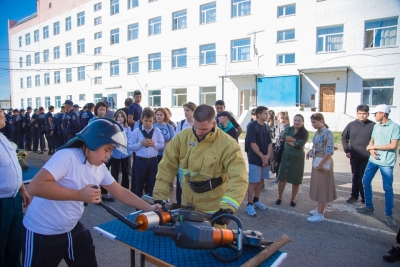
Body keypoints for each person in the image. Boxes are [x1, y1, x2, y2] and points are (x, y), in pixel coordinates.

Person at [22, 118, 162, 267]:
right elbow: (35, 187)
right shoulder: (67, 157)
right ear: (92, 142)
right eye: (106, 150)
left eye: (111, 151)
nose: (108, 156)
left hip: (71, 228)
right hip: (42, 232)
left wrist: (150, 208)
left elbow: (119, 191)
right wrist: (79, 195)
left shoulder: (99, 167)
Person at [153, 104, 248, 225]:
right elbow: (166, 167)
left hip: (213, 210)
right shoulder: (182, 138)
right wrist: (160, 196)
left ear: (214, 124)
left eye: (203, 129)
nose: (198, 133)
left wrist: (227, 209)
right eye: (195, 128)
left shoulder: (228, 144)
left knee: (213, 241)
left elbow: (239, 177)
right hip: (187, 203)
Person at [356, 104, 400, 227]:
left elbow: (393, 145)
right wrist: (371, 149)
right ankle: (369, 206)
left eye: (376, 113)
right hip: (373, 160)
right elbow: (372, 141)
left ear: (383, 114)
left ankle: (389, 214)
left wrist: (373, 147)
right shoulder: (376, 126)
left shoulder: (395, 127)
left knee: (387, 189)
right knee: (365, 181)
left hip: (386, 162)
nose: (374, 115)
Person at [0, 108, 31, 267]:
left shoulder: (3, 139)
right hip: (1, 203)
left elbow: (14, 168)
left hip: (14, 199)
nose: (3, 114)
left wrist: (23, 190)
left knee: (14, 245)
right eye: (0, 111)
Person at [341, 104, 375, 204]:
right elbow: (344, 138)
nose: (362, 116)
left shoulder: (373, 126)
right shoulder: (351, 125)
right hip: (354, 156)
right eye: (360, 113)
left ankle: (365, 198)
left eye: (364, 114)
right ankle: (354, 195)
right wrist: (347, 150)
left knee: (363, 178)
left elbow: (376, 140)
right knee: (355, 176)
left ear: (368, 114)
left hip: (367, 157)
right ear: (357, 113)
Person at [306, 113, 336, 222]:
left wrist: (322, 163)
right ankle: (320, 209)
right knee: (318, 185)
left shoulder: (327, 133)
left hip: (323, 161)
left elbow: (329, 151)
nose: (312, 124)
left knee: (322, 186)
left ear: (321, 121)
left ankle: (320, 214)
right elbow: (316, 147)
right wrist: (310, 152)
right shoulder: (318, 132)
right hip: (318, 160)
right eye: (312, 122)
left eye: (314, 122)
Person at [129, 109, 164, 197]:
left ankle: (150, 206)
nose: (148, 123)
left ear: (153, 120)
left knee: (152, 184)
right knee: (139, 185)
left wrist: (154, 144)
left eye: (150, 121)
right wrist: (140, 144)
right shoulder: (136, 132)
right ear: (141, 120)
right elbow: (129, 146)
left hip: (153, 161)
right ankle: (139, 207)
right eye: (146, 121)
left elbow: (162, 144)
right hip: (140, 161)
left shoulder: (157, 131)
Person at [276, 114, 309, 207]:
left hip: (298, 159)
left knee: (296, 179)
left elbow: (299, 144)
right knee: (282, 178)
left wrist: (290, 141)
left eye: (299, 120)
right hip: (285, 157)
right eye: (295, 120)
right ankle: (279, 197)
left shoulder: (305, 132)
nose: (297, 122)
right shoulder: (288, 129)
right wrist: (295, 141)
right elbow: (283, 136)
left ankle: (293, 198)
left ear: (302, 122)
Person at [245, 106, 272, 217]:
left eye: (267, 113)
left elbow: (270, 143)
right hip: (255, 158)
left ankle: (256, 200)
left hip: (265, 158)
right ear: (259, 115)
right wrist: (262, 156)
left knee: (260, 180)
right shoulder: (252, 126)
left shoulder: (266, 127)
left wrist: (268, 156)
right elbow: (253, 144)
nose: (267, 115)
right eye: (265, 113)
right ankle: (249, 204)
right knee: (253, 181)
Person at [175, 102, 197, 205]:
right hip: (183, 158)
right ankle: (180, 205)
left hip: (195, 158)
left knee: (193, 183)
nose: (185, 112)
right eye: (184, 110)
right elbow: (176, 140)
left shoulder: (198, 124)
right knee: (181, 182)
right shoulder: (181, 123)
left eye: (188, 110)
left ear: (193, 111)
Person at [110, 111, 132, 190]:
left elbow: (129, 139)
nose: (120, 118)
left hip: (125, 152)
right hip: (115, 152)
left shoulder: (127, 128)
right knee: (114, 171)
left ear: (124, 118)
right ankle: (114, 188)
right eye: (118, 116)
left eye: (121, 116)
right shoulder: (113, 127)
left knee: (125, 171)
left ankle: (125, 188)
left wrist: (124, 143)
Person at [273, 111, 290, 183]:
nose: (277, 116)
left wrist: (275, 139)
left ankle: (279, 177)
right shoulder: (280, 124)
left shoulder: (282, 125)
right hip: (279, 144)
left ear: (282, 117)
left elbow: (282, 135)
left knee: (278, 161)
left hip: (280, 145)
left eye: (279, 115)